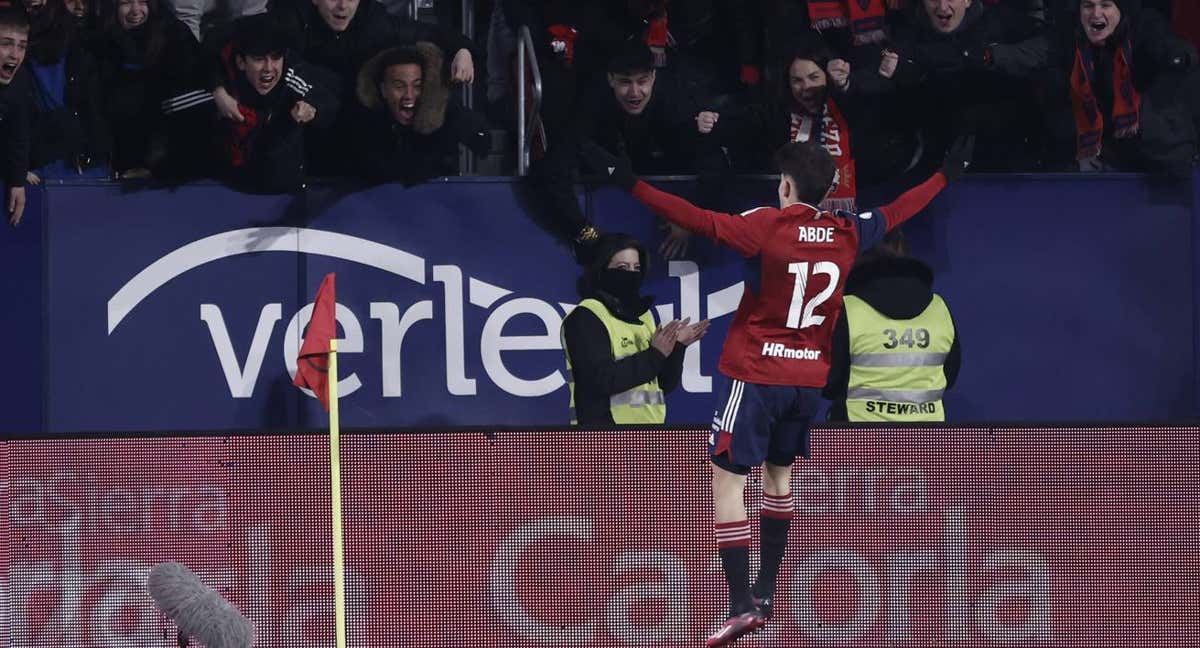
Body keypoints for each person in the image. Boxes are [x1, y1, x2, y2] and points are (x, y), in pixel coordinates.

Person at [580, 134, 973, 646]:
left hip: (757, 374)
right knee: (779, 478)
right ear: (829, 190)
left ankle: (740, 601)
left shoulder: (766, 227)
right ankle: (767, 591)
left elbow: (695, 217)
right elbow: (899, 211)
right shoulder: (848, 230)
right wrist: (945, 175)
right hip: (807, 384)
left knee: (726, 481)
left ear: (785, 186)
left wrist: (627, 182)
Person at [528, 41, 727, 259]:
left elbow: (715, 166)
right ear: (610, 79)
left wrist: (690, 221)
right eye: (625, 82)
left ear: (653, 77)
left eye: (642, 81)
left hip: (663, 182)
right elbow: (553, 169)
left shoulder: (677, 100)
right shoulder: (590, 103)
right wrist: (585, 233)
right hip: (607, 175)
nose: (634, 93)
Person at [988, 0, 1199, 175]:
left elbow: (1165, 44)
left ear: (1120, 10)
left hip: (1152, 156)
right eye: (1088, 6)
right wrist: (991, 56)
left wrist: (1180, 56)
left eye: (1105, 5)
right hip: (1099, 154)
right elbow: (1033, 53)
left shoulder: (1142, 29)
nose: (1096, 13)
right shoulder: (1070, 37)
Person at [562, 233, 710, 425]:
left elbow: (663, 384)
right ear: (601, 269)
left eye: (636, 267)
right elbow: (600, 380)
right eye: (622, 267)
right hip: (601, 438)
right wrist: (656, 354)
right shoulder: (587, 316)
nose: (631, 274)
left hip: (648, 435)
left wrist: (676, 348)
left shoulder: (644, 316)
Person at [823, 231, 961, 422]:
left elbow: (830, 381)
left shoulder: (847, 309)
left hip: (859, 440)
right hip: (925, 440)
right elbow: (950, 376)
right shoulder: (939, 307)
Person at [203, 13, 338, 192]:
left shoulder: (292, 72)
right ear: (241, 63)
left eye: (275, 58)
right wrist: (218, 92)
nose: (268, 68)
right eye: (259, 59)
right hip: (223, 181)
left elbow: (327, 99)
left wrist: (311, 108)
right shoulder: (220, 75)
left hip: (278, 173)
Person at [91, 0, 202, 179]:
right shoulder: (99, 43)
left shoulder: (174, 35)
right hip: (118, 156)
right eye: (125, 3)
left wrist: (155, 164)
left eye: (143, 2)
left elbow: (190, 105)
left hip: (167, 156)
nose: (135, 11)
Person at [351, 43, 490, 185]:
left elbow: (484, 143)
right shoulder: (365, 123)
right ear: (383, 89)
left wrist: (448, 111)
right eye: (399, 86)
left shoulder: (443, 114)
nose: (409, 95)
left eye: (417, 86)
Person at [24, 0, 110, 181]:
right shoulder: (15, 42)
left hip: (80, 168)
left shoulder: (81, 47)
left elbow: (93, 115)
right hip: (33, 168)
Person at [0, 6, 29, 226]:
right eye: (6, 44)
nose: (15, 54)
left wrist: (17, 181)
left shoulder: (19, 84)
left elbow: (18, 136)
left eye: (21, 46)